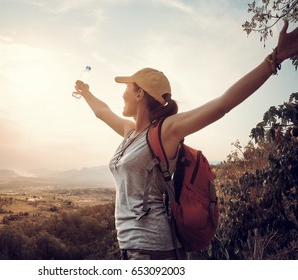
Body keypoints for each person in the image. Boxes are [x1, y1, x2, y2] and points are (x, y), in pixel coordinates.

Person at [73, 20, 298, 260]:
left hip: (154, 251)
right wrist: (86, 92)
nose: (122, 92)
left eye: (127, 87)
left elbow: (222, 104)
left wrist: (274, 59)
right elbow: (102, 112)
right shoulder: (130, 133)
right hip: (131, 250)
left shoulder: (166, 130)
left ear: (140, 94)